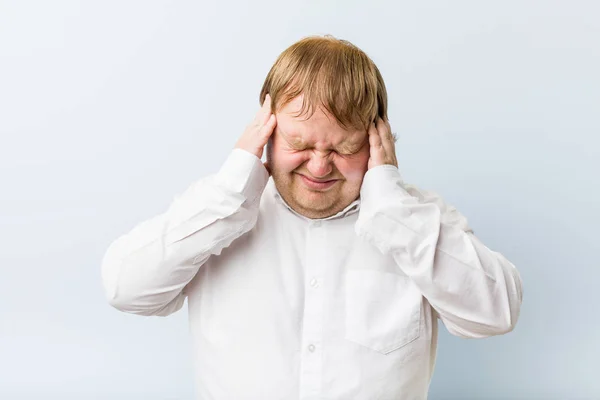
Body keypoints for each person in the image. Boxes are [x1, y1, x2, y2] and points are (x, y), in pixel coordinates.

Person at [101, 34, 523, 399]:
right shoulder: (212, 211)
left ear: (378, 140)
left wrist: (393, 210)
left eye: (343, 148)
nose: (319, 167)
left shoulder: (418, 217)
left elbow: (496, 314)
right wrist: (230, 194)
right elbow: (126, 289)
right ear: (264, 129)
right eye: (298, 143)